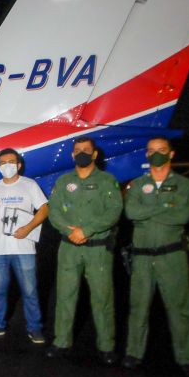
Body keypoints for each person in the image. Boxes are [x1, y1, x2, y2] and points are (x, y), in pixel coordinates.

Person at [123, 137, 189, 377]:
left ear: (171, 154)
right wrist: (165, 205)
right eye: (152, 151)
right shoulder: (137, 185)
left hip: (172, 255)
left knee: (180, 307)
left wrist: (150, 212)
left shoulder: (184, 184)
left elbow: (182, 216)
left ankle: (188, 358)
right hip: (143, 257)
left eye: (161, 150)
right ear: (146, 154)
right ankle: (134, 353)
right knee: (138, 307)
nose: (156, 154)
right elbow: (131, 212)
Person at [47, 137, 122, 364]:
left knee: (102, 298)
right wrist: (68, 231)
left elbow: (114, 211)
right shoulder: (63, 181)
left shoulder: (107, 180)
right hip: (69, 248)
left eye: (86, 150)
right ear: (72, 155)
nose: (82, 153)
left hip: (98, 249)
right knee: (65, 296)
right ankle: (61, 341)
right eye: (77, 150)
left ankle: (107, 346)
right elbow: (54, 211)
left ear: (95, 154)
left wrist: (86, 230)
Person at [0, 149, 49, 343]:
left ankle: (35, 327)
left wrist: (28, 228)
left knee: (29, 290)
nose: (7, 165)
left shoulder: (29, 185)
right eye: (3, 162)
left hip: (24, 248)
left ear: (19, 165)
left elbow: (44, 210)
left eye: (11, 161)